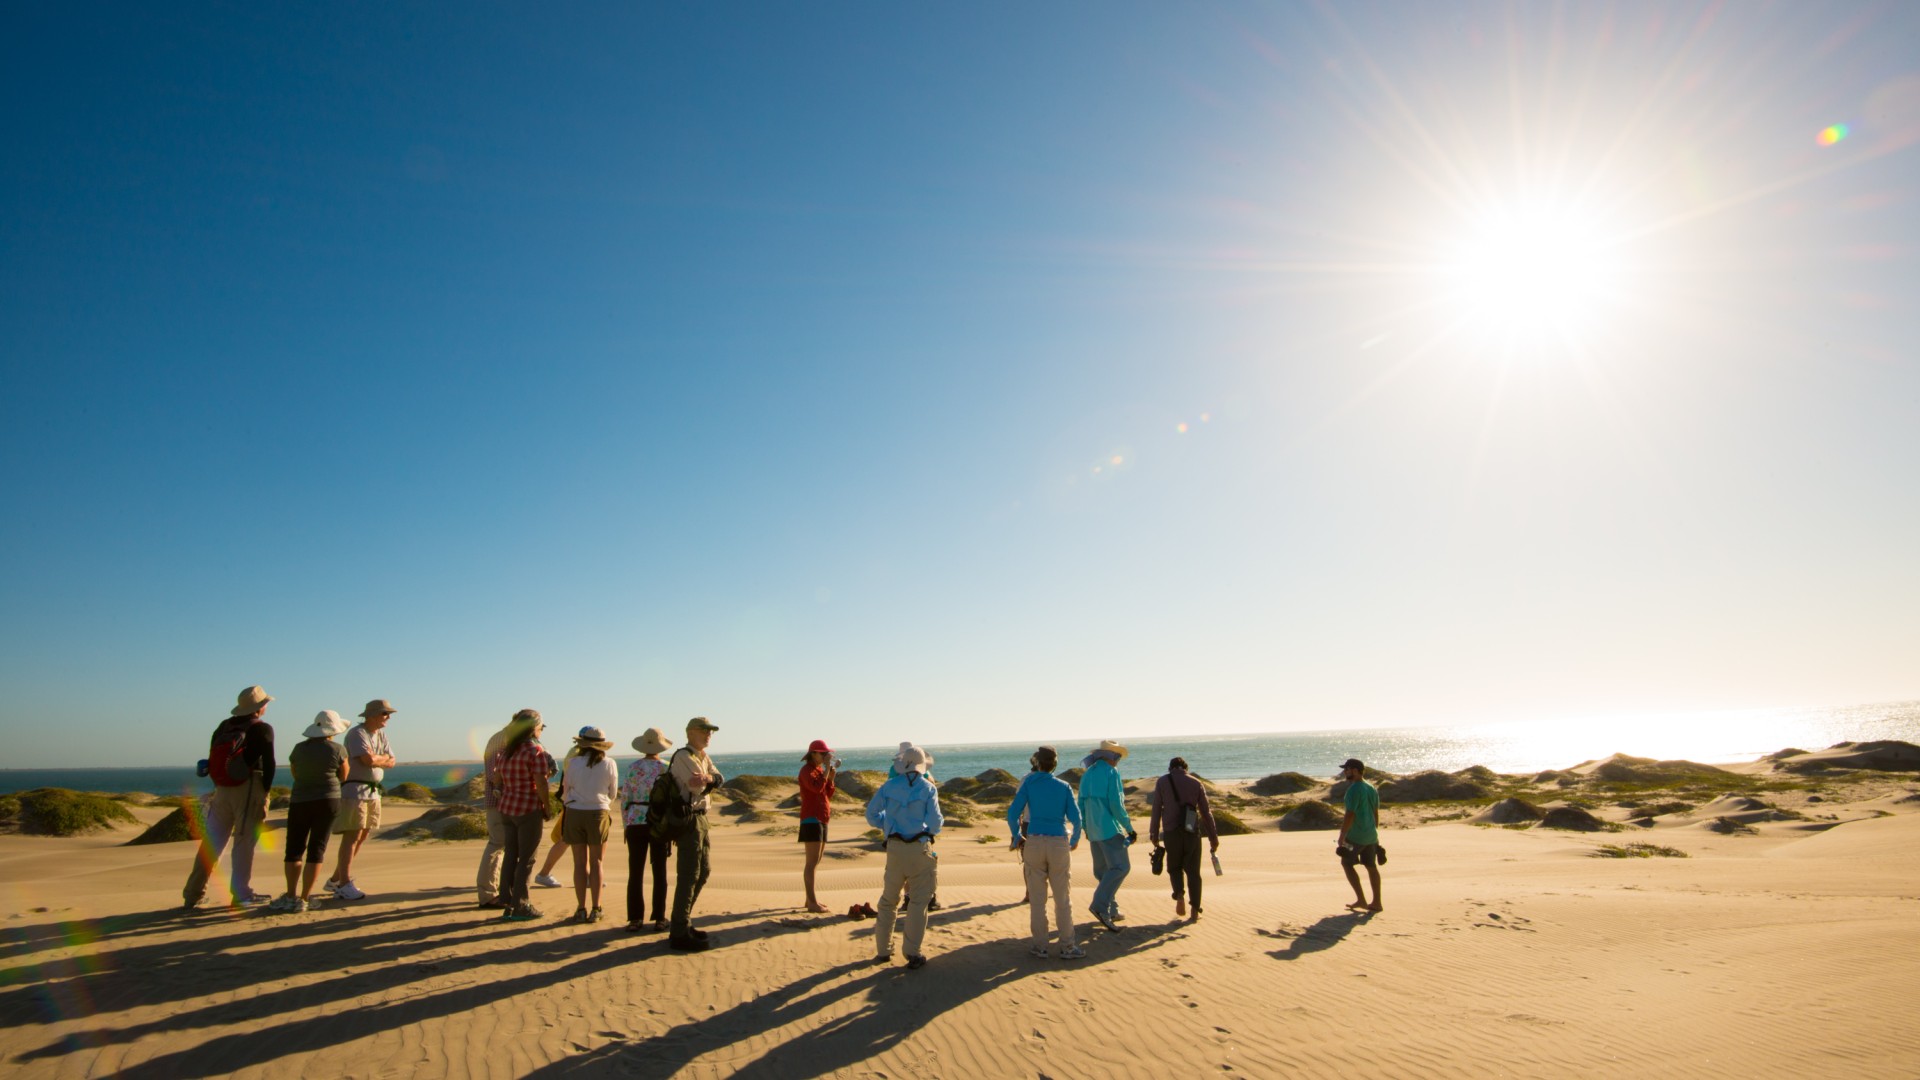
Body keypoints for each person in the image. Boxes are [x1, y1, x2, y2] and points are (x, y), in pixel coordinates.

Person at [183, 686, 278, 909]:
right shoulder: (262, 729)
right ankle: (242, 893)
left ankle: (193, 894)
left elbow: (214, 758)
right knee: (244, 842)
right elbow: (270, 763)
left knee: (212, 844)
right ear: (259, 708)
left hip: (222, 790)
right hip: (249, 787)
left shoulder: (224, 727)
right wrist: (265, 791)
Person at [864, 743, 943, 970]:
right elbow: (936, 823)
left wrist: (886, 825)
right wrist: (927, 830)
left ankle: (883, 950)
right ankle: (912, 952)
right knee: (919, 902)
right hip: (919, 847)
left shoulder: (889, 786)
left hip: (895, 847)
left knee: (888, 900)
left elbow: (871, 814)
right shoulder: (928, 788)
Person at [1006, 746, 1083, 959]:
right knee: (1062, 897)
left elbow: (1012, 814)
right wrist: (1075, 839)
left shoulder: (1029, 783)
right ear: (1054, 764)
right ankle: (1068, 946)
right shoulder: (1063, 786)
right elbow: (1077, 818)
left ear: (1037, 763)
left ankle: (1040, 946)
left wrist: (1016, 836)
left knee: (1038, 898)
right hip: (1058, 841)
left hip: (1034, 841)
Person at [272, 710, 350, 913]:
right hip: (328, 801)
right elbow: (344, 775)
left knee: (294, 849)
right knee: (317, 848)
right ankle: (305, 897)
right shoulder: (338, 749)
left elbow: (295, 774)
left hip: (300, 801)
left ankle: (290, 895)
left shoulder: (298, 749)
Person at [325, 699, 397, 901]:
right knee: (352, 836)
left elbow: (392, 760)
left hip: (372, 793)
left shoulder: (380, 734)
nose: (388, 718)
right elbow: (368, 760)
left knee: (362, 835)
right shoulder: (357, 734)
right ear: (372, 715)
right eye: (384, 714)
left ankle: (335, 880)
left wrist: (379, 758)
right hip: (355, 791)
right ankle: (344, 883)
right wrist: (379, 758)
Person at [489, 710, 557, 920]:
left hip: (507, 808)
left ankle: (507, 901)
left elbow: (497, 778)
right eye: (540, 726)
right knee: (526, 858)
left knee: (511, 854)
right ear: (533, 727)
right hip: (527, 808)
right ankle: (521, 905)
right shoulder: (534, 750)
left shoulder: (507, 750)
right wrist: (546, 806)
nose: (541, 730)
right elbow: (542, 782)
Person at [665, 717, 723, 951]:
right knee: (689, 873)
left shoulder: (702, 757)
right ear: (690, 732)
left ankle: (683, 922)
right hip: (688, 818)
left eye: (710, 731)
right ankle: (679, 930)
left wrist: (709, 778)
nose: (709, 734)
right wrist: (710, 781)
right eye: (704, 730)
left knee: (703, 871)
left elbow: (718, 779)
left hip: (701, 818)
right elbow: (696, 787)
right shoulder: (683, 756)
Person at [1150, 756, 1219, 923]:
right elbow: (1205, 812)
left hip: (1171, 832)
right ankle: (1195, 911)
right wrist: (1213, 837)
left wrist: (1153, 833)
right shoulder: (1196, 783)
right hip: (1191, 831)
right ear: (1185, 768)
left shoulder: (1162, 782)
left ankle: (1179, 895)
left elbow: (1156, 808)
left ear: (1170, 768)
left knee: (1174, 868)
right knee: (1194, 872)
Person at [561, 726, 619, 924]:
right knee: (597, 862)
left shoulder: (572, 763)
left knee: (579, 863)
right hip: (598, 812)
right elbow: (612, 793)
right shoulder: (609, 763)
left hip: (575, 812)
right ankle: (596, 908)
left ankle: (581, 908)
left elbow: (565, 790)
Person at [1076, 739, 1135, 933]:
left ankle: (1112, 909)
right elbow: (1116, 804)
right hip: (1109, 828)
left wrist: (1085, 827)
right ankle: (1100, 907)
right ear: (1109, 756)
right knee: (1120, 867)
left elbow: (1082, 804)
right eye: (1117, 756)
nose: (1118, 760)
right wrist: (1129, 828)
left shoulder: (1088, 774)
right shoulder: (1111, 773)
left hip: (1093, 831)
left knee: (1103, 872)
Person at [619, 727, 674, 932]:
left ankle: (635, 918)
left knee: (635, 871)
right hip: (658, 822)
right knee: (659, 871)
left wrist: (626, 824)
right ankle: (660, 917)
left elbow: (625, 798)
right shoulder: (667, 768)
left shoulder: (633, 767)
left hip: (635, 821)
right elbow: (671, 799)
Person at [476, 716, 518, 909]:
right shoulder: (502, 739)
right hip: (499, 801)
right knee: (497, 844)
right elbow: (494, 774)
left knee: (501, 845)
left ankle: (497, 891)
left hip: (503, 801)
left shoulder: (503, 738)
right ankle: (488, 894)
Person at [533, 741, 585, 889]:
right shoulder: (578, 754)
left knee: (573, 839)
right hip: (575, 803)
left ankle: (585, 875)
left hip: (572, 802)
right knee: (566, 839)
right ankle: (544, 874)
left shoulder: (574, 752)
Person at [1336, 757, 1383, 913]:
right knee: (1371, 866)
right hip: (1371, 835)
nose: (1344, 772)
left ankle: (1361, 900)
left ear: (1355, 770)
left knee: (1347, 864)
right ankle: (1376, 902)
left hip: (1356, 836)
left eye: (1347, 769)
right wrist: (1375, 834)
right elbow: (1375, 812)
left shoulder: (1354, 789)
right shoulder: (1371, 788)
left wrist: (1342, 836)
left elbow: (1350, 814)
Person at [797, 739, 838, 913]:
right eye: (822, 753)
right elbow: (815, 789)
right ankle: (812, 902)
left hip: (821, 817)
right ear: (813, 753)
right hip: (811, 818)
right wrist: (827, 770)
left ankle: (810, 900)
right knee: (811, 862)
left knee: (816, 861)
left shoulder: (818, 770)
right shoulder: (807, 770)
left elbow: (826, 793)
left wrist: (831, 779)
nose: (825, 756)